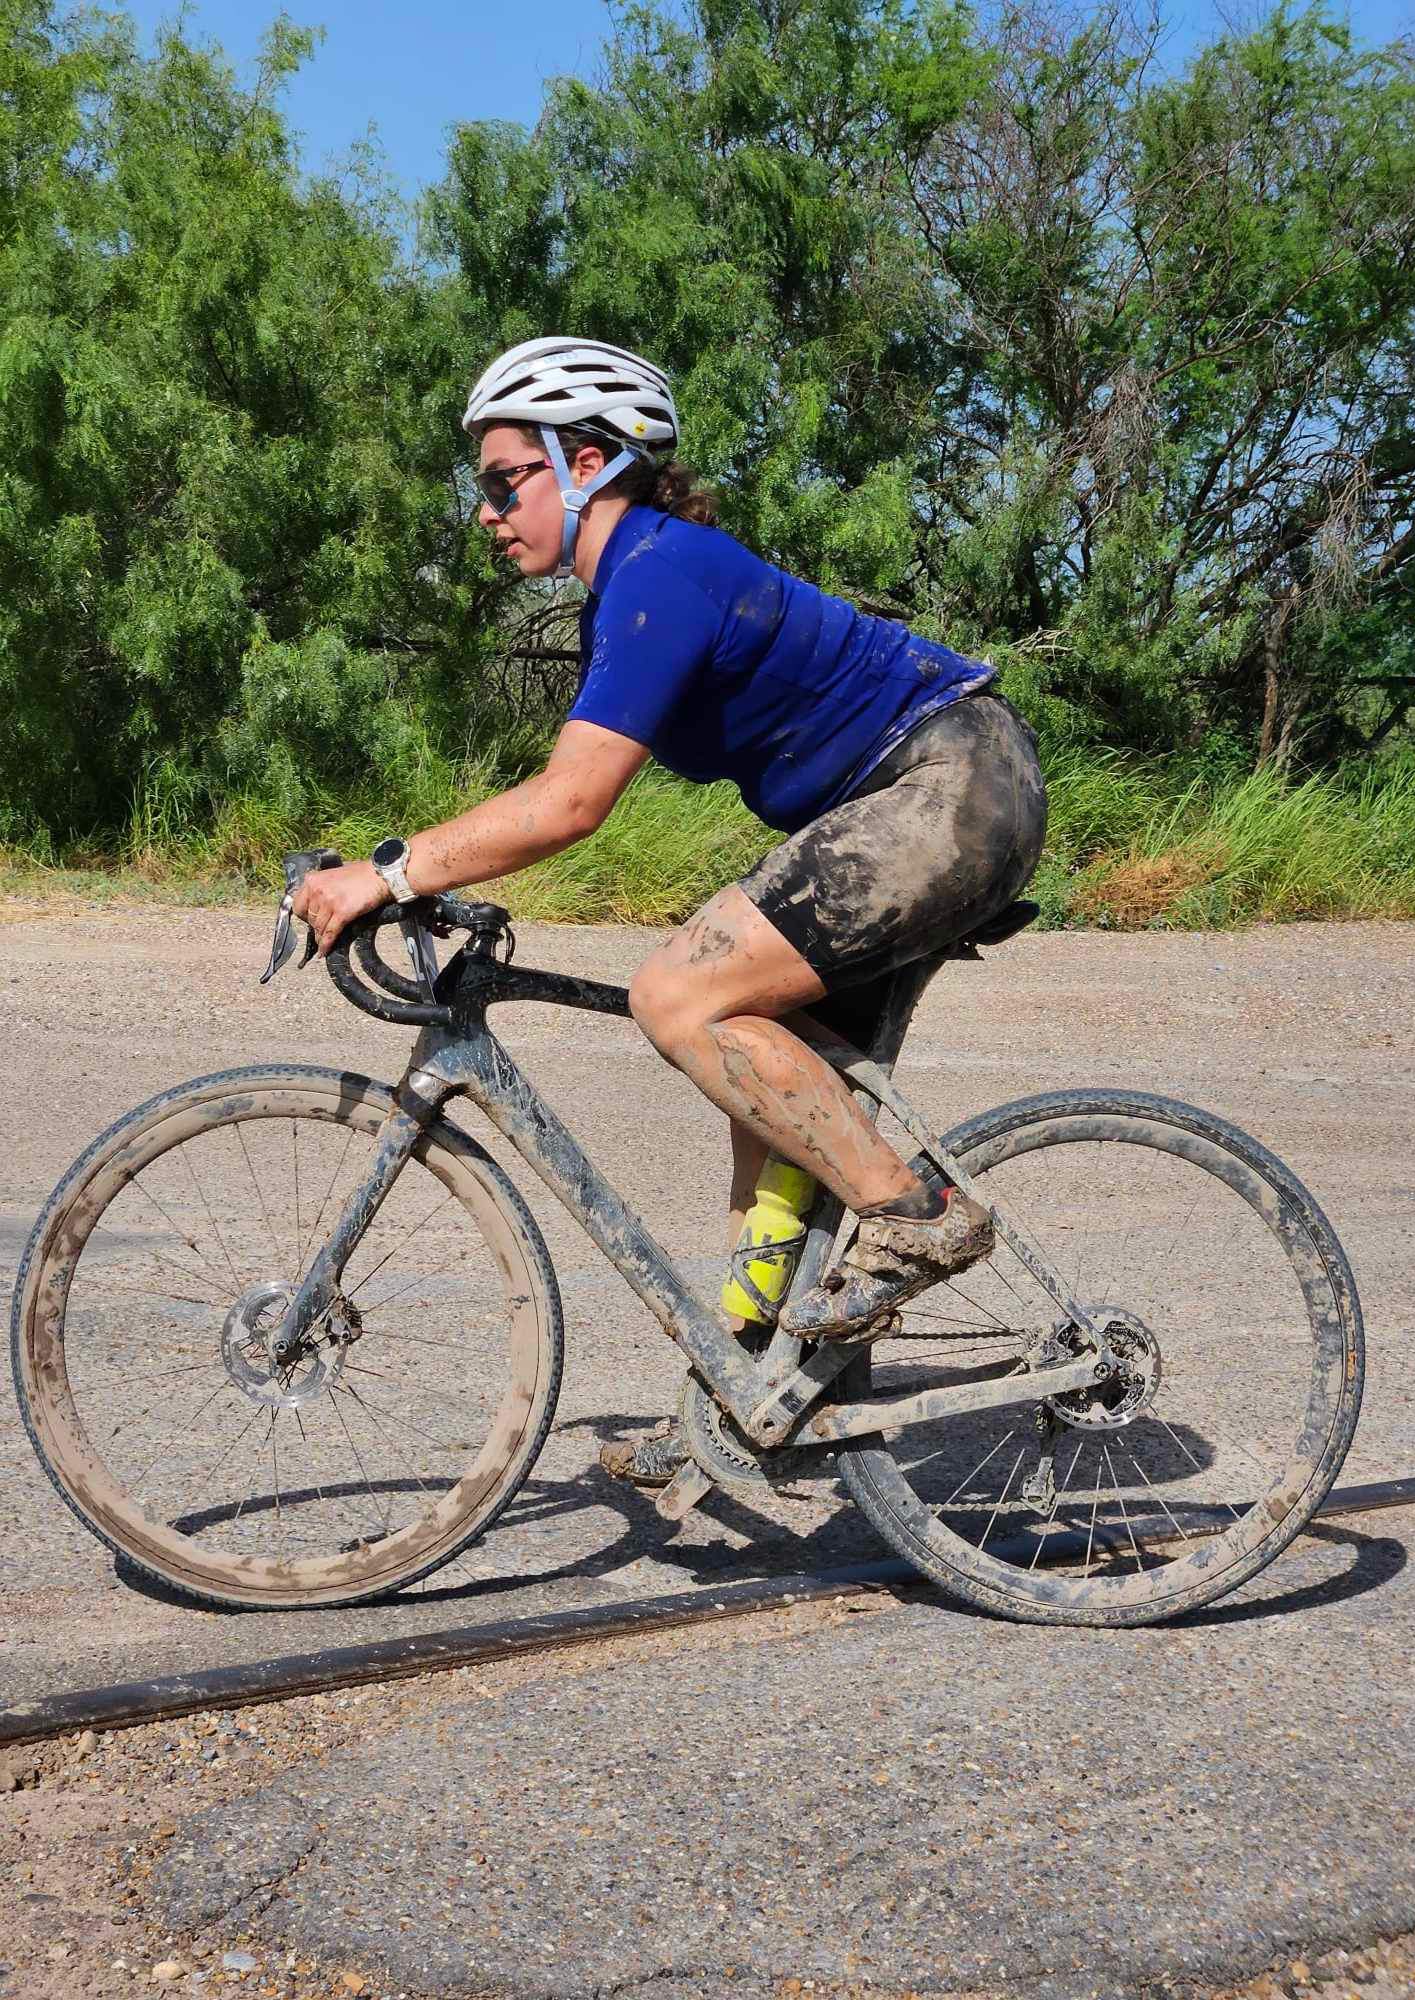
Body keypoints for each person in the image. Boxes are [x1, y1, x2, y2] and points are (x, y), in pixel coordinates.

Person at [294, 335, 1048, 1481]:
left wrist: (388, 874)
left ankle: (917, 1213)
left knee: (677, 993)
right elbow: (564, 790)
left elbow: (572, 800)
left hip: (950, 784)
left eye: (503, 479)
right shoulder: (630, 590)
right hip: (916, 795)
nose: (486, 510)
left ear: (588, 462)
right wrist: (423, 869)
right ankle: (745, 1394)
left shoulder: (660, 571)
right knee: (769, 1102)